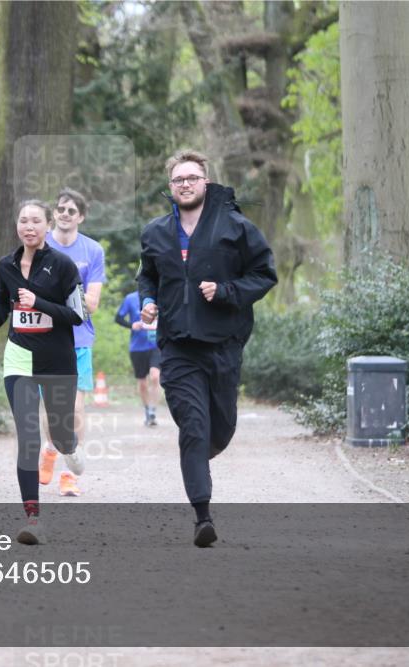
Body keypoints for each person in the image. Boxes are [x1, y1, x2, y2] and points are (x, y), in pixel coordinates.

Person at [137, 149, 277, 547]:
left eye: (192, 178)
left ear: (206, 182)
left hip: (223, 344)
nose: (185, 184)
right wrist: (148, 301)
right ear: (171, 187)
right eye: (179, 180)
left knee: (222, 427)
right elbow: (147, 276)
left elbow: (264, 275)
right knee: (194, 427)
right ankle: (203, 517)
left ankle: (199, 455)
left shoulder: (236, 226)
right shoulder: (155, 232)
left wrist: (227, 290)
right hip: (178, 346)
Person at [0, 200, 85, 545]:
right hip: (19, 356)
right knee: (28, 436)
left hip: (57, 360)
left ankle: (67, 445)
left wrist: (39, 303)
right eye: (23, 221)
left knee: (60, 432)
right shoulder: (6, 265)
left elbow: (77, 316)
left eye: (36, 220)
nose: (29, 226)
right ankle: (32, 517)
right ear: (18, 227)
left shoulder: (63, 265)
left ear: (46, 225)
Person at [41, 188, 105, 497]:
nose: (65, 214)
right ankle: (50, 449)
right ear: (53, 213)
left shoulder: (92, 251)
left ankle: (68, 475)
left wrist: (59, 292)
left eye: (71, 211)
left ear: (80, 216)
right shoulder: (38, 245)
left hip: (78, 340)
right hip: (42, 339)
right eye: (61, 209)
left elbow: (92, 303)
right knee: (50, 411)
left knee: (75, 410)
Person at [115, 290, 161, 426]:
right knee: (142, 383)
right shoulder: (130, 298)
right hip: (137, 347)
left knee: (155, 376)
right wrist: (132, 325)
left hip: (156, 345)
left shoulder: (159, 295)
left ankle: (153, 410)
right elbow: (118, 318)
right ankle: (147, 410)